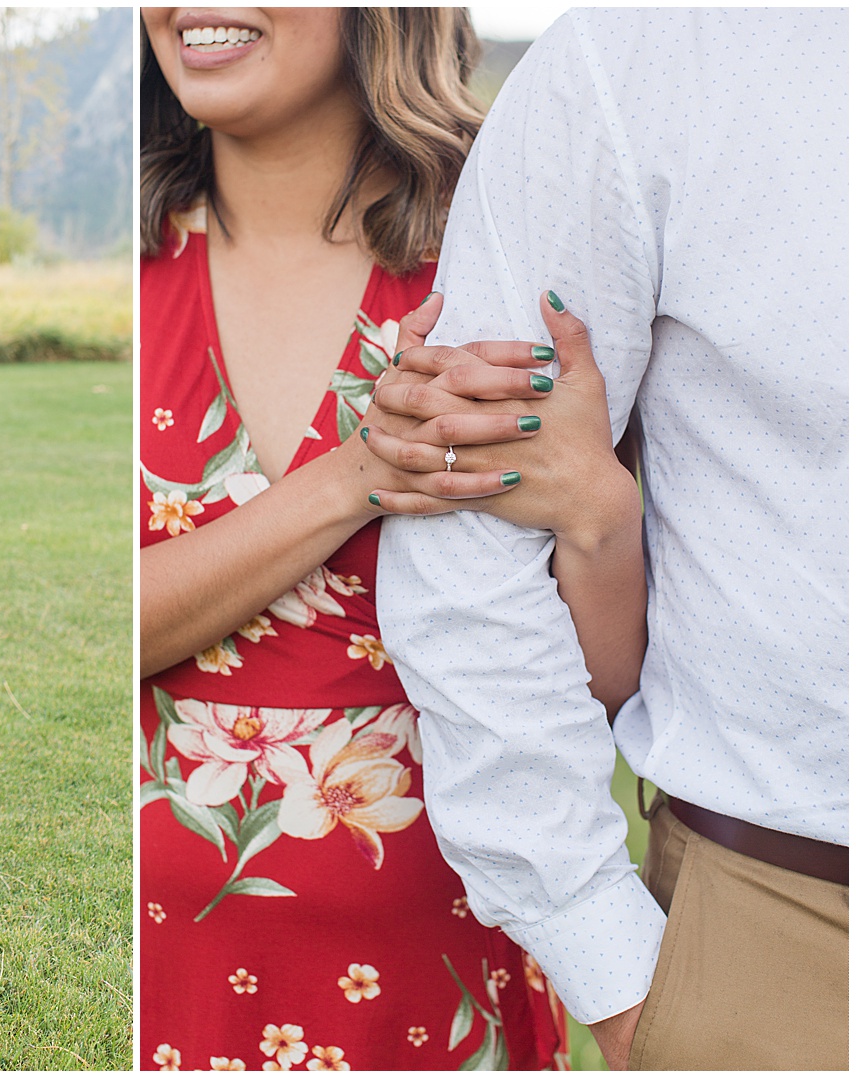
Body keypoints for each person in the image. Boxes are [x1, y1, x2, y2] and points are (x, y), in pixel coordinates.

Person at [138, 8, 647, 1070]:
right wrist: (357, 477)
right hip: (159, 976)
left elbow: (608, 693)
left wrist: (600, 516)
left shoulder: (508, 248)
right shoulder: (130, 265)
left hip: (439, 972)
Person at [374, 9, 847, 1070]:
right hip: (790, 938)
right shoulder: (646, 57)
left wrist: (600, 515)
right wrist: (619, 970)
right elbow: (466, 541)